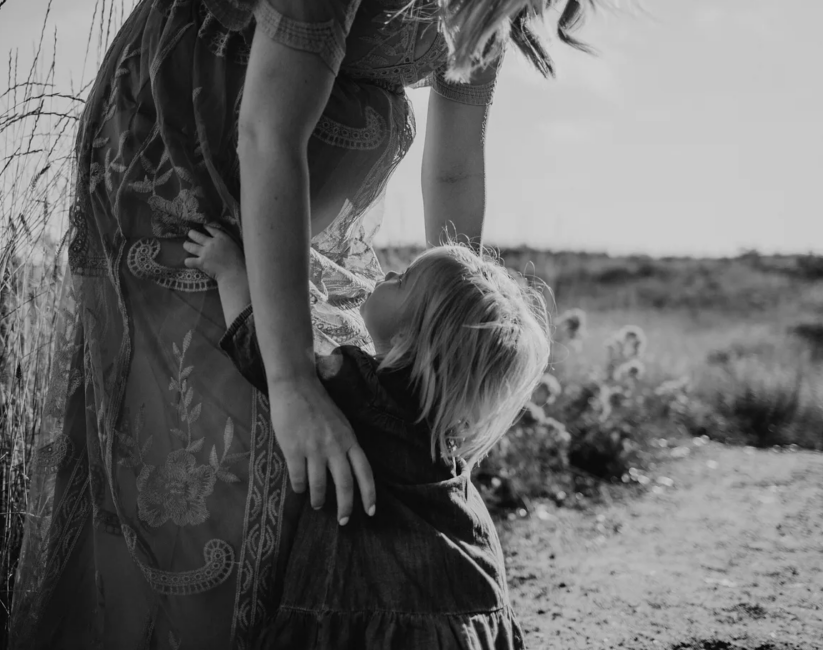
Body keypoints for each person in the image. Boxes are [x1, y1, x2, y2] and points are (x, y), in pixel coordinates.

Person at [9, 0, 625, 647]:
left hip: (273, 194)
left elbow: (455, 170)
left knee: (269, 459)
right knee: (197, 450)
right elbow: (269, 132)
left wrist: (454, 327)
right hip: (181, 161)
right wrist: (295, 380)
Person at [184, 225, 550, 648]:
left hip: (361, 598)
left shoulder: (360, 388)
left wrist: (230, 271)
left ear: (411, 337)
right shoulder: (442, 424)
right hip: (467, 588)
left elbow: (263, 354)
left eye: (405, 279)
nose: (390, 274)